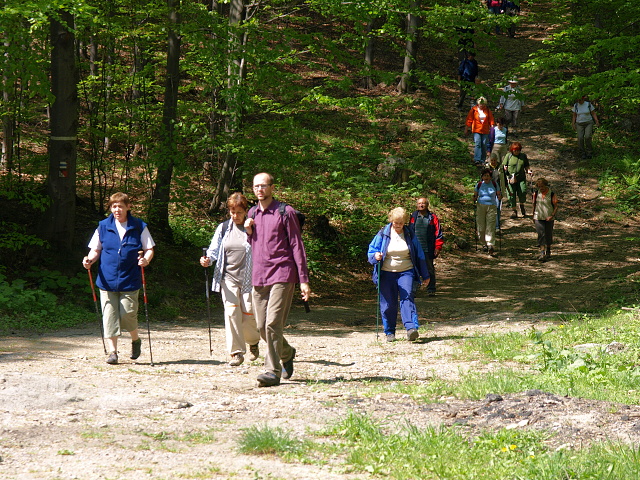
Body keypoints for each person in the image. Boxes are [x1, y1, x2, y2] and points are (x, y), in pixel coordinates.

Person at [244, 173, 310, 387]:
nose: (259, 189)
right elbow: (255, 245)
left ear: (272, 187)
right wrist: (248, 231)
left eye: (263, 185)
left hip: (283, 273)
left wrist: (303, 280)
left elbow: (297, 246)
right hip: (259, 276)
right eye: (256, 186)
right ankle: (287, 352)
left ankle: (272, 371)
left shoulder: (286, 212)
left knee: (273, 323)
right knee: (262, 326)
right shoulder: (252, 213)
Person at [82, 192, 155, 365]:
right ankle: (113, 352)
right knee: (109, 315)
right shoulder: (103, 226)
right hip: (107, 279)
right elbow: (96, 249)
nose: (117, 209)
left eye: (120, 206)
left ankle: (135, 340)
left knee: (127, 314)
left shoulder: (138, 226)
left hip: (130, 278)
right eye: (114, 206)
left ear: (128, 207)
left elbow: (149, 248)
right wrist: (89, 260)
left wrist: (146, 260)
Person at [201, 192, 260, 367]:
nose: (235, 216)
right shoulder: (224, 228)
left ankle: (253, 341)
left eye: (239, 212)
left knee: (249, 314)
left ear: (246, 211)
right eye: (232, 212)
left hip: (251, 278)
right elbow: (213, 250)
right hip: (228, 278)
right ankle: (236, 353)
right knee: (232, 312)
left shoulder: (254, 228)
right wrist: (207, 260)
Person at [368, 207, 430, 343]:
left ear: (405, 222)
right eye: (396, 223)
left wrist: (425, 275)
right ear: (391, 221)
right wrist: (375, 256)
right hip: (386, 273)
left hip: (406, 271)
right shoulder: (383, 233)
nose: (398, 226)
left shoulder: (409, 234)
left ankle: (411, 328)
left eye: (401, 223)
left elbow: (419, 255)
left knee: (407, 297)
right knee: (388, 303)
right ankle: (389, 331)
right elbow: (371, 251)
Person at [409, 198, 443, 297]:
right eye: (419, 203)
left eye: (423, 203)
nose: (421, 205)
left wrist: (438, 247)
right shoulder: (413, 216)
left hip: (428, 248)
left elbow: (438, 233)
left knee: (429, 269)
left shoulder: (432, 217)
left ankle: (431, 289)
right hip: (414, 248)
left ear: (427, 205)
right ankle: (413, 290)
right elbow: (409, 232)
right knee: (413, 268)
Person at [474, 168, 502, 256]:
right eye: (484, 176)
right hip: (480, 206)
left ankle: (490, 245)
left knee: (490, 225)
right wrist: (474, 198)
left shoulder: (494, 184)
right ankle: (483, 244)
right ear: (482, 177)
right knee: (481, 227)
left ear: (490, 177)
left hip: (492, 206)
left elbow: (499, 194)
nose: (486, 177)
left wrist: (499, 197)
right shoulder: (479, 185)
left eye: (488, 176)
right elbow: (475, 195)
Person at [503, 141, 532, 219]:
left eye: (518, 150)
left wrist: (528, 171)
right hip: (511, 179)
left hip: (521, 178)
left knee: (523, 191)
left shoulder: (523, 156)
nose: (516, 152)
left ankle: (522, 205)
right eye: (515, 150)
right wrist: (505, 170)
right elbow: (504, 165)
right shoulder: (508, 156)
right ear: (512, 150)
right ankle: (514, 210)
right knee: (511, 194)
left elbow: (526, 165)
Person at [532, 178, 558, 262]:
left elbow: (556, 206)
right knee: (541, 234)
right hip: (538, 217)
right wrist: (533, 215)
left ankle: (548, 251)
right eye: (539, 187)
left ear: (546, 185)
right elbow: (534, 205)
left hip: (549, 217)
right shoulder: (536, 194)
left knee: (548, 234)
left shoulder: (552, 194)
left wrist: (552, 215)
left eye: (542, 186)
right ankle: (542, 253)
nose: (541, 188)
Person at [465, 97, 495, 166]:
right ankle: (477, 159)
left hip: (485, 130)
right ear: (478, 104)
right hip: (476, 129)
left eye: (483, 104)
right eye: (480, 104)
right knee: (478, 143)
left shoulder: (487, 110)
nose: (481, 106)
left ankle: (483, 159)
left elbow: (491, 119)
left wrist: (492, 128)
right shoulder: (473, 110)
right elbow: (469, 119)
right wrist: (466, 128)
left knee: (484, 144)